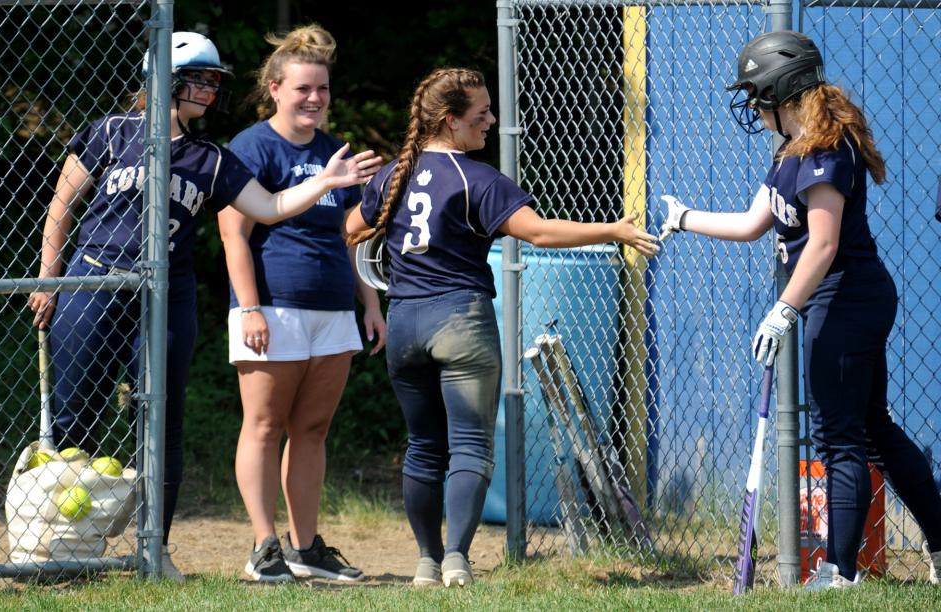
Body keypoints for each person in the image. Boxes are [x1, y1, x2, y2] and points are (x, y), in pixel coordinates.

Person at [26, 31, 382, 582]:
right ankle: (63, 551)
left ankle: (153, 550)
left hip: (170, 291)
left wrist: (326, 184)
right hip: (93, 281)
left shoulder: (209, 157)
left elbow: (268, 207)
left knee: (161, 420)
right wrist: (48, 278)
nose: (212, 90)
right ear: (164, 80)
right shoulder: (112, 132)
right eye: (201, 79)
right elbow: (61, 205)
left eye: (217, 80)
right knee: (77, 412)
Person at [345, 67, 659, 587]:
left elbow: (354, 229)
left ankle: (425, 560)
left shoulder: (392, 175)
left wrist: (382, 277)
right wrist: (613, 229)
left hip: (404, 321)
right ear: (451, 121)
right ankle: (455, 560)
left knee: (424, 445)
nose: (491, 120)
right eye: (481, 113)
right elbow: (537, 232)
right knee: (469, 445)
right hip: (460, 320)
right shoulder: (477, 178)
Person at [659, 30, 941, 588]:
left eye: (755, 93)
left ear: (781, 90)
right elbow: (750, 224)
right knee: (872, 428)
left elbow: (824, 242)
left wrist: (784, 309)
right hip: (835, 298)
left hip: (846, 297)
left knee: (840, 436)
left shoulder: (824, 146)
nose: (751, 106)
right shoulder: (790, 151)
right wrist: (685, 217)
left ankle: (839, 571)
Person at [218, 24, 384, 584]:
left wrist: (370, 304)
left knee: (311, 429)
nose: (314, 99)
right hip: (273, 306)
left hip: (334, 308)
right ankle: (264, 547)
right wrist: (250, 308)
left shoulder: (333, 152)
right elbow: (233, 234)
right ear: (274, 89)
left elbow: (349, 233)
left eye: (323, 89)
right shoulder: (251, 147)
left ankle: (304, 547)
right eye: (302, 89)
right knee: (264, 426)